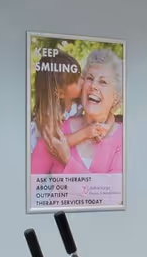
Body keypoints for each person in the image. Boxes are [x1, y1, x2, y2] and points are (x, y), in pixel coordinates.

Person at [31, 48, 123, 176]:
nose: (92, 86)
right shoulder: (54, 125)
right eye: (89, 78)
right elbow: (30, 181)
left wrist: (68, 161)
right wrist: (87, 132)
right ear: (60, 93)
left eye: (103, 82)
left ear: (116, 96)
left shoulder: (122, 138)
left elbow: (111, 189)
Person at [29, 49, 97, 171]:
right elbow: (56, 144)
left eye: (80, 76)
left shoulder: (77, 102)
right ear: (60, 93)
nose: (82, 81)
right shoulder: (48, 115)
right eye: (76, 81)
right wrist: (87, 133)